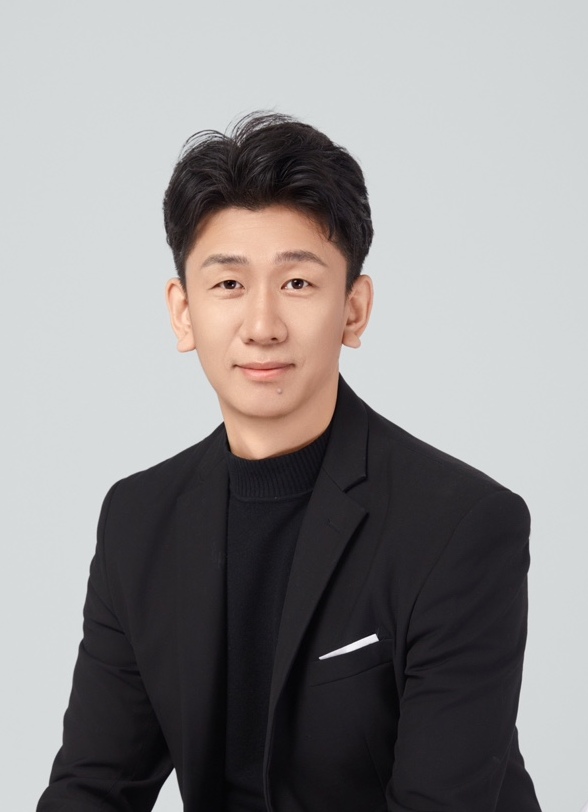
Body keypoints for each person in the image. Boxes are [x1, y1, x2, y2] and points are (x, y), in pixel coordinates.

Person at [37, 113, 542, 811]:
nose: (262, 326)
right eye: (229, 285)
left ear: (353, 310)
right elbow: (93, 786)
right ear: (183, 313)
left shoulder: (461, 526)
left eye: (298, 283)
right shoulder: (139, 518)